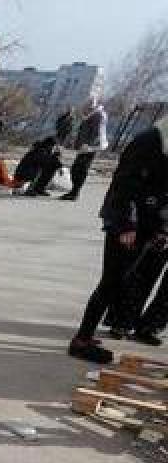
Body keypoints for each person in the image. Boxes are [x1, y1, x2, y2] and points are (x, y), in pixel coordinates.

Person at [68, 117, 168, 362]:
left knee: (118, 281)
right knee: (111, 281)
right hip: (127, 224)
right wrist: (127, 224)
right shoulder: (149, 141)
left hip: (144, 222)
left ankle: (86, 336)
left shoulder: (162, 146)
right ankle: (81, 340)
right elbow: (124, 184)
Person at [62, 98, 108, 201]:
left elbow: (98, 132)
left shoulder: (99, 115)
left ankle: (75, 193)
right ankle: (74, 191)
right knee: (76, 169)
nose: (85, 108)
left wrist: (89, 145)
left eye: (87, 106)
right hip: (85, 146)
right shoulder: (92, 114)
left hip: (90, 147)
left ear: (93, 105)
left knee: (80, 169)